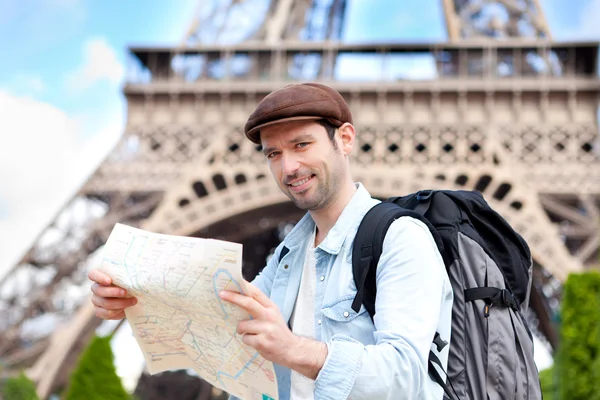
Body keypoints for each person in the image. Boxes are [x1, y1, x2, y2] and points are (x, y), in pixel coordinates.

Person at [89, 83, 453, 400]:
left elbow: (406, 378)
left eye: (302, 144)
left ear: (344, 138)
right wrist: (139, 303)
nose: (288, 167)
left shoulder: (401, 238)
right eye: (274, 154)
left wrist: (295, 349)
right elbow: (223, 337)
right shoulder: (286, 257)